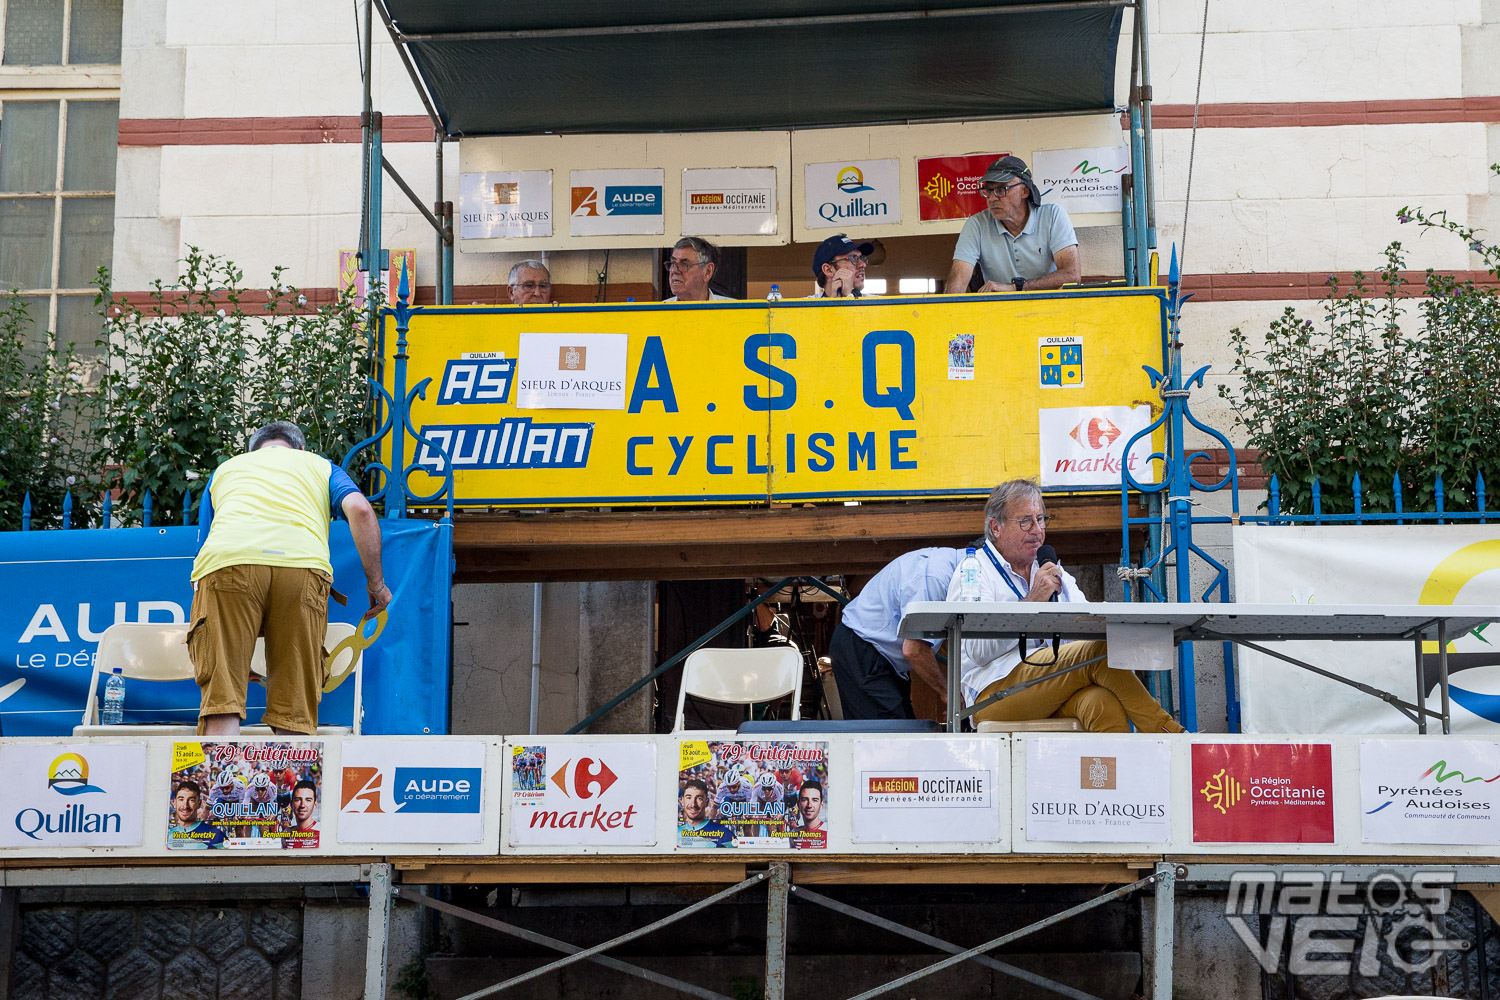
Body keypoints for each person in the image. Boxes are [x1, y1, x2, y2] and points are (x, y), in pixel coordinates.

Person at [188, 420, 392, 737]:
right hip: (303, 569)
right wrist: (376, 584)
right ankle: (295, 785)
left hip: (227, 563)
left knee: (222, 701)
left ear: (253, 450)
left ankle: (218, 781)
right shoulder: (320, 466)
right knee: (295, 708)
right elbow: (361, 511)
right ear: (300, 449)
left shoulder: (228, 469)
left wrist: (234, 651)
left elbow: (201, 557)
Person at [947, 479, 1184, 733]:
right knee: (1098, 651)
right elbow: (977, 649)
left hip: (1049, 682)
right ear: (996, 527)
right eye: (1025, 521)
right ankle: (1170, 734)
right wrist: (1031, 603)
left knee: (1101, 703)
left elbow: (1084, 632)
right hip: (993, 693)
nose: (1037, 530)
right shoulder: (973, 570)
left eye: (1041, 519)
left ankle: (1122, 773)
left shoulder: (1051, 571)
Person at [830, 546, 965, 719]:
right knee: (886, 736)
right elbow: (914, 650)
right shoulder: (934, 577)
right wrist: (948, 693)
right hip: (864, 648)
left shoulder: (948, 567)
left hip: (883, 656)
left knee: (901, 731)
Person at [945, 156, 1080, 294]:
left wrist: (1016, 288)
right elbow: (958, 283)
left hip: (1049, 308)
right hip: (998, 310)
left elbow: (1071, 275)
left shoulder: (1053, 215)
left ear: (1025, 191)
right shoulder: (977, 224)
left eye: (1001, 189)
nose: (992, 198)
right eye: (988, 191)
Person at [663, 237, 734, 302]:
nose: (674, 270)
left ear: (707, 271)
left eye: (684, 264)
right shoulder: (658, 312)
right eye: (673, 262)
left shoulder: (734, 311)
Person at [810, 234, 874, 299]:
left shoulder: (877, 303)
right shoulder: (806, 305)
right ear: (828, 270)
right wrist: (832, 305)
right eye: (852, 258)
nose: (863, 265)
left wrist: (849, 295)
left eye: (861, 258)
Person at [678, 778, 734, 848]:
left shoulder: (725, 835)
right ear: (682, 801)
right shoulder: (674, 833)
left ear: (707, 802)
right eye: (689, 798)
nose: (693, 804)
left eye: (699, 799)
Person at [168, 780, 224, 850]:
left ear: (199, 803)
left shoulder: (216, 835)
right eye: (181, 799)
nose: (185, 806)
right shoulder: (166, 836)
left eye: (191, 800)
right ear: (174, 802)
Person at [287, 779, 319, 848]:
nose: (302, 805)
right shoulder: (286, 834)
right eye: (298, 800)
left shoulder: (322, 832)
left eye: (308, 800)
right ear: (291, 804)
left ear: (315, 805)